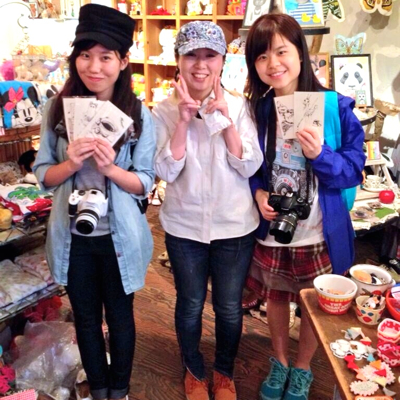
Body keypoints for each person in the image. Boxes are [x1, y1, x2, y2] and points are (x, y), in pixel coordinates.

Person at [33, 4, 156, 400]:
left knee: (120, 318)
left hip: (120, 237)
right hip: (72, 237)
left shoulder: (139, 114)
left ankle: (119, 391)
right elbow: (43, 176)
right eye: (85, 55)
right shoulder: (56, 109)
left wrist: (111, 169)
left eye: (106, 57)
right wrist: (71, 163)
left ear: (123, 62)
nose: (94, 66)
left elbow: (145, 183)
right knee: (86, 320)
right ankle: (99, 391)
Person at [244, 13, 366, 400]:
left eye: (281, 51)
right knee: (277, 298)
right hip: (274, 228)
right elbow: (250, 167)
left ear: (301, 52)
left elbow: (354, 170)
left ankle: (302, 367)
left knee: (314, 302)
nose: (273, 63)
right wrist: (258, 193)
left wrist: (320, 155)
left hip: (318, 229)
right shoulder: (257, 111)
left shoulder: (335, 107)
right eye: (262, 56)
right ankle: (280, 361)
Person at [152, 21, 263, 400]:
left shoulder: (241, 106)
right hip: (184, 227)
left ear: (222, 61)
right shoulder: (163, 111)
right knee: (190, 304)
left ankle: (224, 373)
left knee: (229, 307)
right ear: (178, 60)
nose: (200, 65)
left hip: (235, 226)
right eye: (192, 55)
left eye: (210, 55)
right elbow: (165, 171)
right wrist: (183, 122)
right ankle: (193, 371)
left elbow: (249, 166)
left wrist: (226, 122)